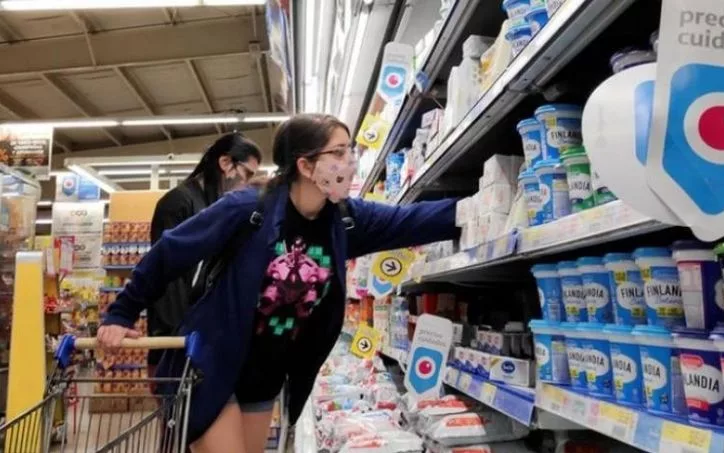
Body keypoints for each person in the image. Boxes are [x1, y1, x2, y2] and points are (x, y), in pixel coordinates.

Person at [96, 114, 460, 453]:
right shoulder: (247, 209)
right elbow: (170, 251)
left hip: (265, 373)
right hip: (212, 364)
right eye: (338, 152)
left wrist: (477, 205)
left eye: (349, 150)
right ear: (305, 165)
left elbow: (409, 220)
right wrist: (121, 313)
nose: (350, 161)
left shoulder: (344, 219)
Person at [147, 132, 262, 377]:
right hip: (177, 342)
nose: (248, 183)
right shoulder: (178, 202)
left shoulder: (212, 204)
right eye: (248, 174)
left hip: (200, 336)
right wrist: (176, 342)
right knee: (177, 400)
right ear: (225, 163)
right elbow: (165, 277)